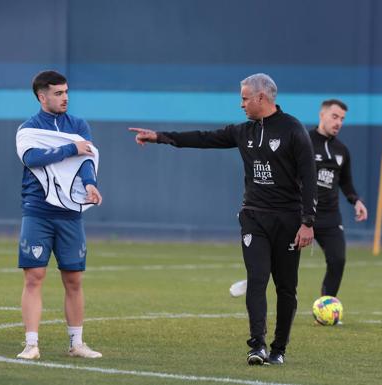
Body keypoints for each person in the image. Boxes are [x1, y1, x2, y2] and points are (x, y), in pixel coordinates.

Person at [129, 73, 317, 366]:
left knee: (286, 287)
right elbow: (204, 139)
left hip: (289, 221)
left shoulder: (293, 130)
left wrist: (307, 222)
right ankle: (257, 346)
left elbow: (309, 176)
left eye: (244, 98)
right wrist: (160, 137)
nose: (241, 104)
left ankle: (279, 349)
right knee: (257, 279)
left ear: (261, 98)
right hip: (254, 217)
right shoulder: (244, 132)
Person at [15, 70, 103, 360]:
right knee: (34, 276)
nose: (65, 98)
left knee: (74, 279)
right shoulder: (28, 129)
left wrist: (90, 184)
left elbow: (86, 159)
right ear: (42, 96)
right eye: (58, 93)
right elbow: (32, 159)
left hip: (70, 213)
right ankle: (31, 344)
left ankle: (77, 344)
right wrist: (69, 148)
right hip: (38, 211)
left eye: (66, 92)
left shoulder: (78, 125)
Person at [309, 99, 368, 299]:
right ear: (322, 115)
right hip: (302, 214)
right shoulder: (304, 141)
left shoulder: (342, 151)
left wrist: (356, 201)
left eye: (342, 119)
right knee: (283, 262)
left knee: (337, 260)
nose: (338, 122)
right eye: (334, 117)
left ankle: (326, 306)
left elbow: (346, 182)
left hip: (330, 217)